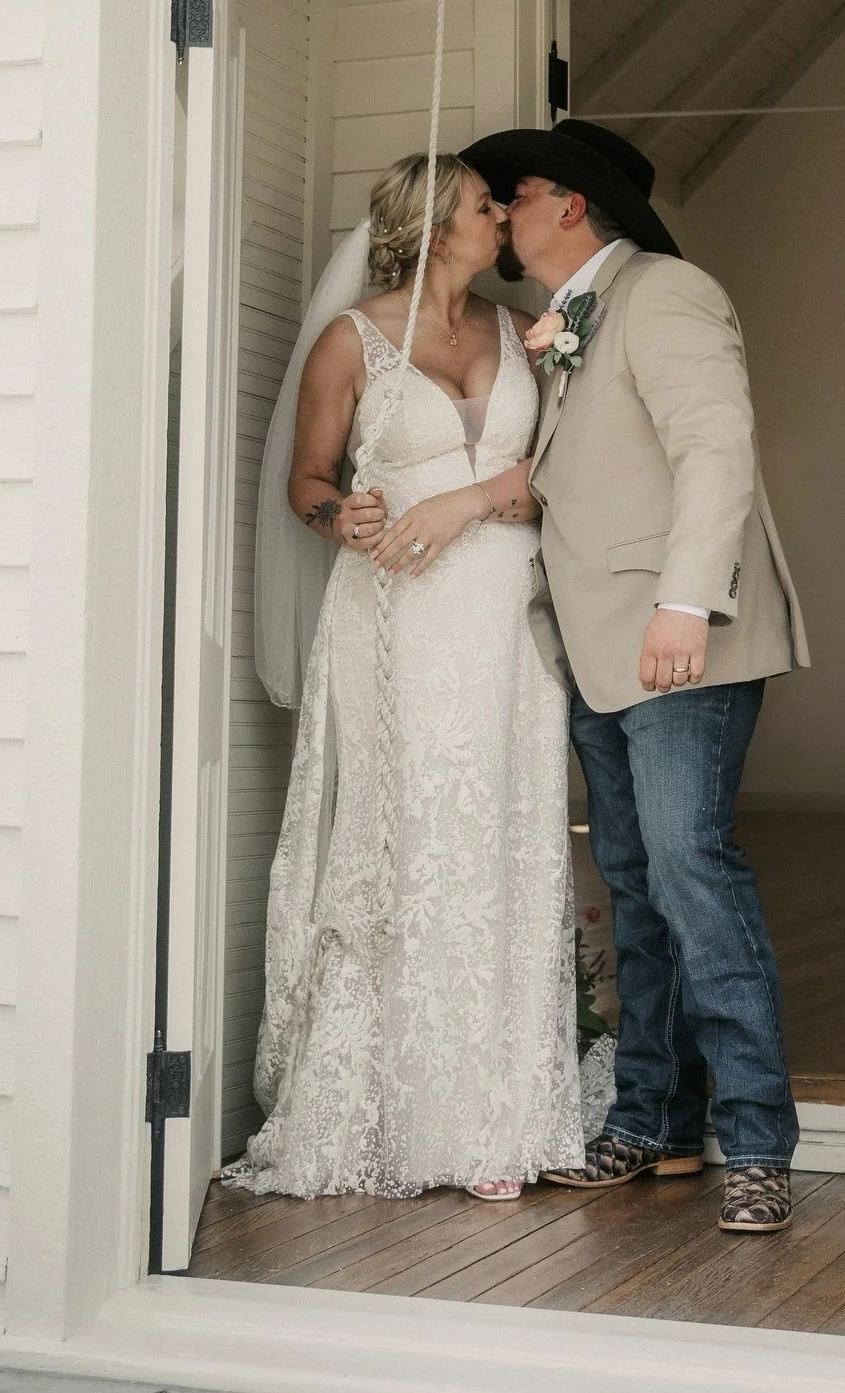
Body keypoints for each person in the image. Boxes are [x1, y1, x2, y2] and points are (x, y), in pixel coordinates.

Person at [460, 118, 809, 1233]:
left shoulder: (665, 292)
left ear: (568, 204)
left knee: (691, 871)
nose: (500, 214)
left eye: (510, 196)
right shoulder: (564, 323)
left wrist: (682, 601)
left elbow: (718, 447)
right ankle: (651, 1126)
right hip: (598, 648)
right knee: (639, 886)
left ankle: (757, 1142)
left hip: (676, 639)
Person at [242, 152, 583, 1202]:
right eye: (489, 204)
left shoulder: (519, 327)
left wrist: (496, 498)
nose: (504, 216)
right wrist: (335, 514)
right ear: (439, 225)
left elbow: (562, 459)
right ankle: (387, 1105)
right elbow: (308, 479)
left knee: (505, 834)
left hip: (508, 619)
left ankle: (498, 1117)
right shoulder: (352, 342)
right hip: (397, 614)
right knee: (411, 839)